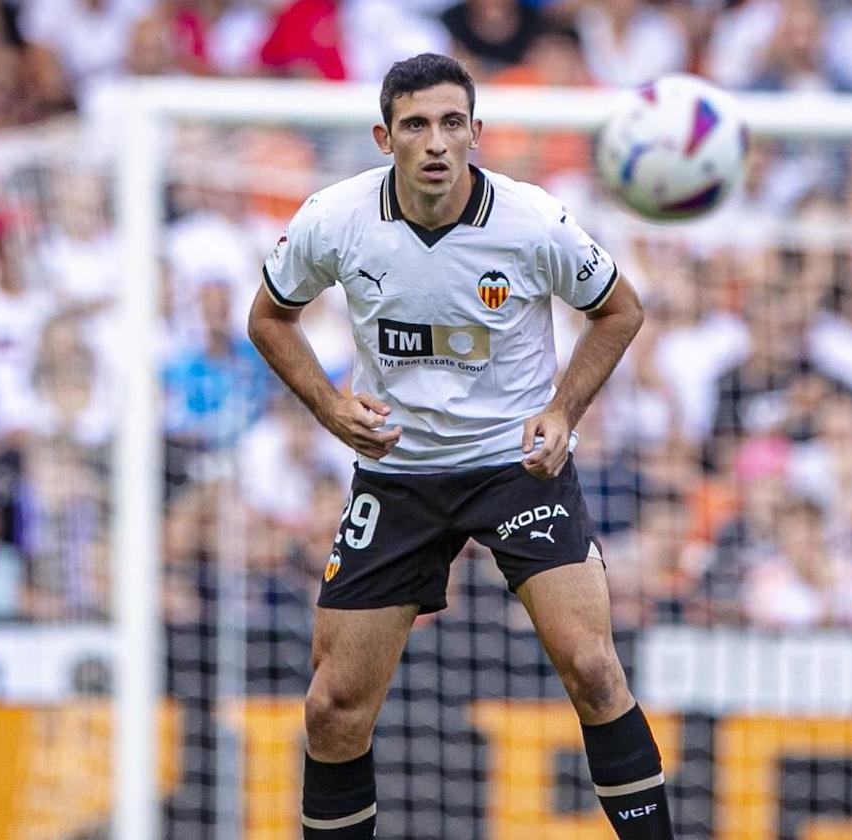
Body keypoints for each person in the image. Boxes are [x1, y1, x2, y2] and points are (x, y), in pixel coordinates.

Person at [248, 52, 673, 840]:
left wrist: (562, 410)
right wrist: (330, 407)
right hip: (398, 473)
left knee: (592, 666)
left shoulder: (532, 221)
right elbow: (268, 319)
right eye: (416, 125)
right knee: (333, 709)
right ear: (386, 137)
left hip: (515, 469)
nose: (436, 141)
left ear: (477, 132)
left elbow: (620, 310)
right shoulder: (335, 218)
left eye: (452, 123)